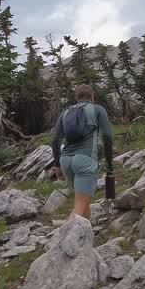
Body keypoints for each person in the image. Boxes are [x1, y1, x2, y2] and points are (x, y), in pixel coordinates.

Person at [47, 83, 114, 220]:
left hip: (66, 161)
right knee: (80, 203)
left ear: (76, 97)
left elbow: (55, 140)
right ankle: (65, 238)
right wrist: (109, 164)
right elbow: (107, 136)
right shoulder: (97, 109)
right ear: (92, 97)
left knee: (83, 200)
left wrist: (57, 165)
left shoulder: (65, 113)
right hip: (85, 159)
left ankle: (86, 235)